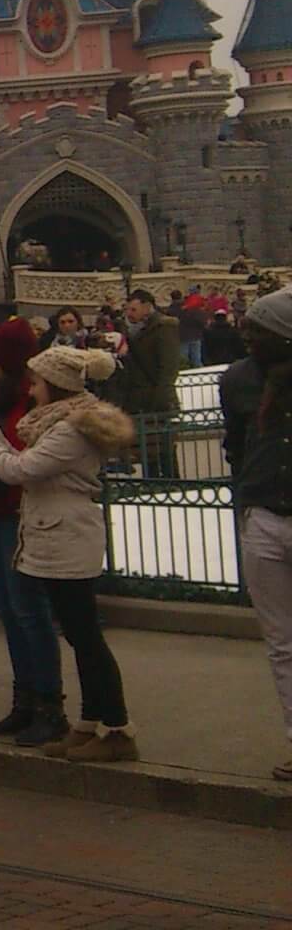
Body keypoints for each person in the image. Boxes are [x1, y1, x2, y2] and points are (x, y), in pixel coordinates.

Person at [0, 346, 140, 762]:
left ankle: (117, 729)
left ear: (56, 385)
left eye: (37, 382)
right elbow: (23, 459)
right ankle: (89, 724)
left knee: (86, 637)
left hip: (66, 537)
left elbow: (17, 470)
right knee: (78, 633)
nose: (31, 390)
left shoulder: (70, 429)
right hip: (56, 533)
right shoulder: (60, 422)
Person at [0, 318, 62, 744]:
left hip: (18, 511)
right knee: (8, 610)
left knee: (29, 611)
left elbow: (19, 456)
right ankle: (23, 701)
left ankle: (49, 705)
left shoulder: (31, 400)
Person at [217, 287, 292, 782]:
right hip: (264, 515)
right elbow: (236, 442)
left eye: (259, 331)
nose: (248, 337)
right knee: (282, 644)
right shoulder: (239, 380)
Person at [107, 288, 183, 474]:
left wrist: (161, 398)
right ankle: (153, 483)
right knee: (146, 449)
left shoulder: (164, 327)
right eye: (127, 309)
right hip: (136, 398)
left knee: (163, 447)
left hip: (157, 399)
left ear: (147, 307)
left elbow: (168, 367)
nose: (129, 314)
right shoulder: (128, 330)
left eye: (133, 309)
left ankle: (171, 483)